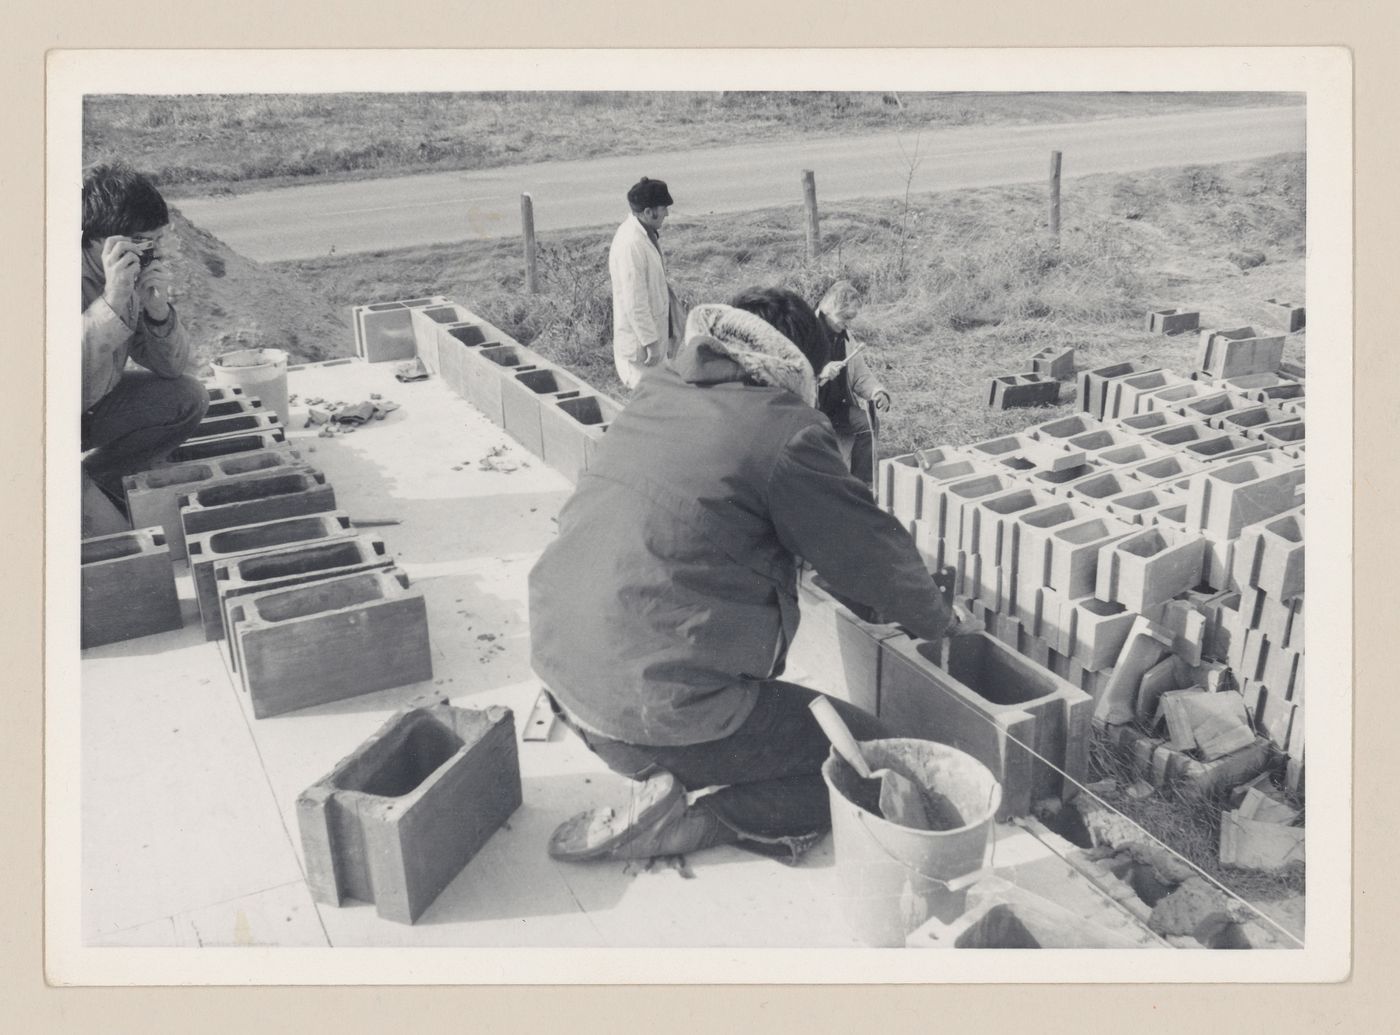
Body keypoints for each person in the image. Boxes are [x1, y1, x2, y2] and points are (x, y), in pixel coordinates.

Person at [529, 286, 977, 866]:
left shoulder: (661, 388)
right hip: (647, 709)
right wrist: (938, 619)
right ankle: (705, 819)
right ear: (800, 367)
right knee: (869, 763)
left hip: (566, 683)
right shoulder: (785, 429)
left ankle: (662, 774)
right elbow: (868, 550)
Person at [82, 162, 208, 524]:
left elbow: (172, 369)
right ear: (95, 238)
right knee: (117, 542)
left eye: (157, 240)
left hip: (88, 406)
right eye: (143, 241)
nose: (154, 252)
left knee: (187, 398)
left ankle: (99, 477)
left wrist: (157, 313)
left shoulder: (127, 270)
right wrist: (111, 304)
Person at [607, 176, 681, 389]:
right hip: (641, 352)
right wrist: (651, 343)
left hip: (652, 344)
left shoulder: (645, 234)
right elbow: (634, 301)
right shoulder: (631, 244)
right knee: (650, 402)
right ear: (648, 212)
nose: (667, 213)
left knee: (661, 399)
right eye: (664, 208)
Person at [815, 281, 891, 489]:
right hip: (808, 411)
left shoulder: (847, 339)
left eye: (852, 318)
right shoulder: (805, 334)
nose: (848, 324)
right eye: (845, 317)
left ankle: (862, 485)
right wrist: (819, 373)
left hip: (836, 408)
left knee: (867, 424)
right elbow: (790, 377)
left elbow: (860, 376)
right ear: (829, 309)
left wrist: (877, 392)